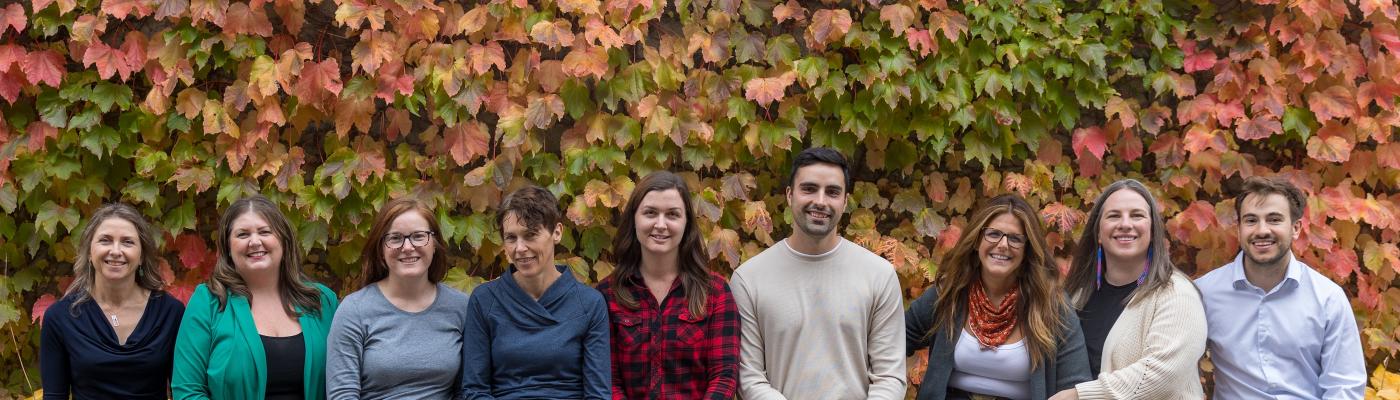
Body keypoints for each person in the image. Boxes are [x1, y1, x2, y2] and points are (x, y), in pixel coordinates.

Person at [730, 147, 906, 400]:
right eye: (809, 188)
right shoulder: (749, 279)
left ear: (845, 201)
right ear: (790, 195)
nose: (820, 201)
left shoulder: (879, 275)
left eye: (832, 192)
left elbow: (890, 376)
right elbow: (749, 378)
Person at [906, 194, 1091, 400]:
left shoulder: (1051, 304)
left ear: (1027, 249)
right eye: (993, 234)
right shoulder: (950, 292)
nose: (1003, 245)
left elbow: (1076, 384)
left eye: (1015, 238)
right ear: (977, 241)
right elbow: (893, 341)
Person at [1195, 176, 1366, 399]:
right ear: (1239, 230)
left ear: (1295, 228)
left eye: (1274, 219)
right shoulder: (1204, 294)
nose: (1262, 230)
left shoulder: (1328, 298)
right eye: (1251, 220)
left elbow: (1344, 386)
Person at [1050, 179, 1207, 400]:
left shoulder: (1177, 295)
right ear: (1098, 233)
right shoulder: (1077, 296)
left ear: (1153, 231)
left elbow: (1163, 377)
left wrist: (1078, 396)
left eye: (1137, 215)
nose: (1125, 224)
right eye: (1114, 216)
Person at [172, 195, 340, 400]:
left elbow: (346, 380)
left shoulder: (321, 300)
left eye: (265, 231)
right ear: (228, 247)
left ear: (283, 240)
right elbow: (187, 390)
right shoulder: (209, 302)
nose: (254, 241)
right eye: (242, 234)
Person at [596, 171, 739, 399]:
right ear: (634, 218)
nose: (660, 225)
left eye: (672, 214)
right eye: (650, 213)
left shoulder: (715, 293)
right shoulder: (607, 295)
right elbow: (608, 380)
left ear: (686, 223)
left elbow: (724, 377)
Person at [460, 185, 610, 399]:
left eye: (530, 235)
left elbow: (598, 394)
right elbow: (474, 390)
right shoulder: (485, 300)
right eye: (511, 238)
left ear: (557, 232)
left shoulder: (589, 303)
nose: (519, 248)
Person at [326, 197, 471, 399]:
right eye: (395, 238)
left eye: (419, 236)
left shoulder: (461, 307)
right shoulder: (354, 310)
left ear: (435, 243)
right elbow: (342, 394)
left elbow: (466, 389)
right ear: (380, 249)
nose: (408, 247)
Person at [41, 203, 185, 399]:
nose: (116, 251)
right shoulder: (60, 318)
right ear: (89, 253)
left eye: (127, 242)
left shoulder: (171, 313)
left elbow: (184, 391)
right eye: (105, 240)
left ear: (142, 255)